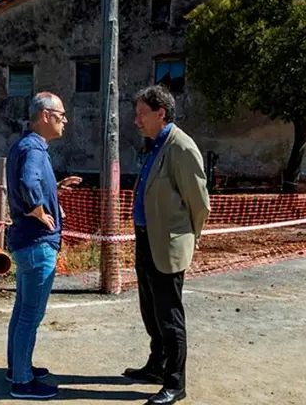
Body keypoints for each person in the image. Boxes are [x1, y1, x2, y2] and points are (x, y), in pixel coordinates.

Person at [124, 85, 211, 405]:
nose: (137, 120)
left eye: (142, 114)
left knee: (170, 315)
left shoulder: (180, 147)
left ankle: (176, 382)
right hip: (146, 239)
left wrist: (191, 237)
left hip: (169, 244)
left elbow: (199, 203)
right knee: (151, 309)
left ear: (161, 113)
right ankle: (156, 367)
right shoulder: (154, 145)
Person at [4, 92, 79, 399]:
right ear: (45, 116)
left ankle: (17, 368)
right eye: (61, 115)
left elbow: (31, 180)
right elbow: (27, 182)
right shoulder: (34, 148)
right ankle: (22, 382)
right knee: (30, 316)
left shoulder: (25, 145)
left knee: (22, 310)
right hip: (37, 244)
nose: (65, 121)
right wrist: (37, 208)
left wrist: (54, 188)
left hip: (26, 242)